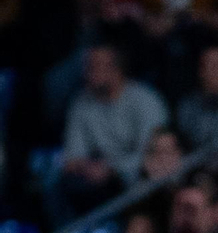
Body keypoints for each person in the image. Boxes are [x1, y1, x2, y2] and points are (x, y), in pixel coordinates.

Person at [56, 44, 169, 220]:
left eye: (95, 67)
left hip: (143, 179)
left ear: (116, 70)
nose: (88, 73)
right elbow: (72, 157)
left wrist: (111, 168)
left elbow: (153, 154)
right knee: (61, 182)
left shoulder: (146, 101)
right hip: (100, 181)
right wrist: (87, 167)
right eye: (88, 67)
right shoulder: (81, 103)